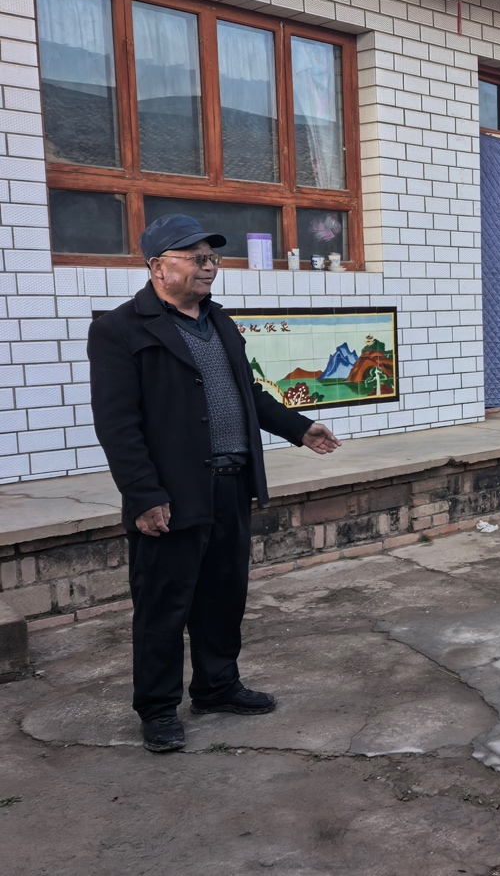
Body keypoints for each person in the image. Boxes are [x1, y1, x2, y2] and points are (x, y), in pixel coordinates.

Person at [88, 214, 342, 754]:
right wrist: (144, 494)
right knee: (163, 607)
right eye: (196, 258)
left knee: (223, 597)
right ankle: (158, 709)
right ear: (158, 267)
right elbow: (117, 423)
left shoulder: (219, 321)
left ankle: (217, 687)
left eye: (212, 258)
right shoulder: (120, 329)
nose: (208, 267)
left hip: (231, 484)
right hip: (172, 493)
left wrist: (299, 428)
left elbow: (248, 391)